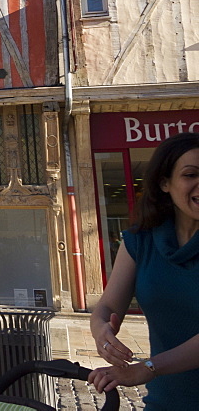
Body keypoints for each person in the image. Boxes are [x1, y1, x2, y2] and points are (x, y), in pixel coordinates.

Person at [88, 133, 199, 408]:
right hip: (167, 401)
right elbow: (107, 306)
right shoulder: (142, 241)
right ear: (164, 183)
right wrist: (102, 332)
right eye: (191, 174)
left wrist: (144, 368)